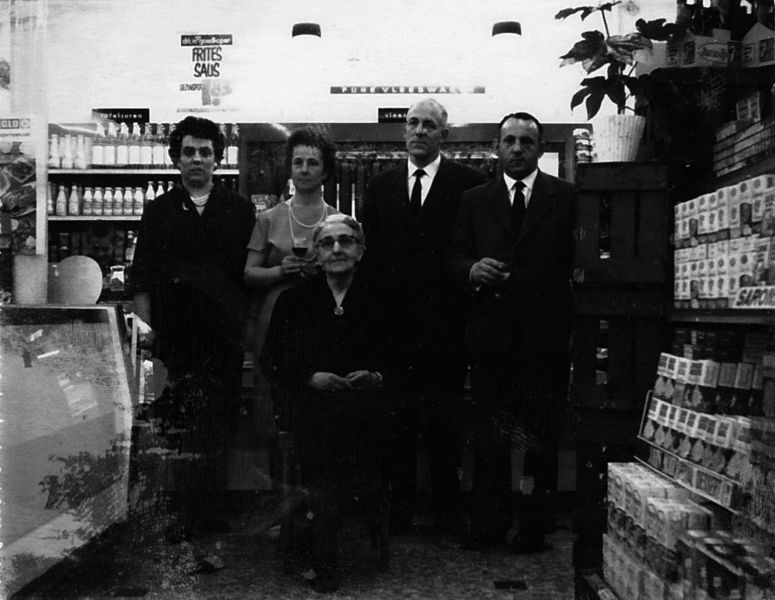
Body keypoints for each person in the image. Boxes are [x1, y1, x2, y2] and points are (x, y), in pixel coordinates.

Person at [447, 111, 575, 553]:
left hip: (545, 338)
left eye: (526, 141)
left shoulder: (565, 196)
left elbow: (575, 261)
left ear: (539, 149)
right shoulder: (474, 200)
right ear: (496, 148)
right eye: (509, 141)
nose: (517, 148)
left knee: (540, 436)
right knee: (491, 436)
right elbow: (454, 257)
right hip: (491, 337)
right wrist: (472, 269)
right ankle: (489, 524)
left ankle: (535, 528)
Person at [361, 98, 486, 533]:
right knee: (396, 421)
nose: (418, 130)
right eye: (412, 123)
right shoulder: (381, 186)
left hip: (447, 326)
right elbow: (370, 257)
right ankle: (398, 510)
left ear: (443, 135)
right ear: (403, 131)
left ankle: (446, 512)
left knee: (445, 423)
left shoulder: (469, 184)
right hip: (393, 328)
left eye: (428, 125)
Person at [261, 214, 401, 593]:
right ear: (317, 254)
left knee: (340, 444)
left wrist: (375, 376)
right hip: (312, 407)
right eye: (327, 243)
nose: (337, 249)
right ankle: (325, 553)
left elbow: (403, 357)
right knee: (326, 440)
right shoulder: (294, 300)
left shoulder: (383, 298)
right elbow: (272, 359)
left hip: (365, 410)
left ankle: (322, 550)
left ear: (360, 250)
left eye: (346, 241)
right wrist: (311, 377)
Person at [131, 115, 256, 538]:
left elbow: (247, 277)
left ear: (217, 159)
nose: (197, 159)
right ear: (176, 159)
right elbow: (142, 277)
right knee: (179, 425)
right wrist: (148, 331)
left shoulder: (239, 209)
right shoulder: (158, 211)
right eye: (189, 152)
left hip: (223, 338)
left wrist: (245, 330)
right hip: (175, 339)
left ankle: (210, 511)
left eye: (205, 152)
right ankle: (181, 517)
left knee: (219, 423)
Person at [243, 127, 340, 469]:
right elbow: (249, 273)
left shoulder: (337, 221)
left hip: (322, 323)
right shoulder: (269, 218)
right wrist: (280, 271)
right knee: (275, 405)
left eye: (313, 162)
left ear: (325, 170)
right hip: (274, 323)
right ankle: (278, 489)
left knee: (319, 407)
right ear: (289, 168)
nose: (304, 169)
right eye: (298, 162)